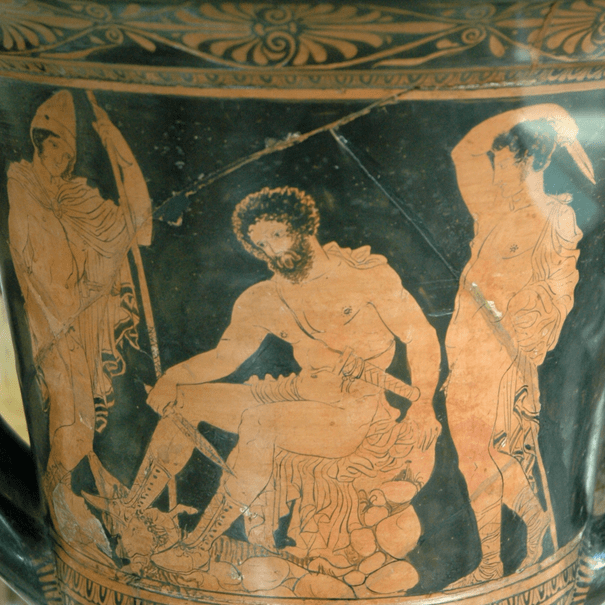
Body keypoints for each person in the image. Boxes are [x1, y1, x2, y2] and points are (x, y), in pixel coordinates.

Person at [107, 186, 441, 574]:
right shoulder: (264, 298)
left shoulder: (363, 276)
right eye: (261, 245)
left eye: (277, 235)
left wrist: (424, 403)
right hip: (300, 392)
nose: (272, 251)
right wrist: (172, 378)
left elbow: (421, 335)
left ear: (303, 226)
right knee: (184, 401)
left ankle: (199, 544)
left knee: (260, 423)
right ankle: (131, 510)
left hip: (352, 411)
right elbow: (225, 357)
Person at [445, 104, 595, 587]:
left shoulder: (557, 217)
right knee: (473, 457)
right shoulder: (493, 212)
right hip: (467, 349)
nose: (496, 174)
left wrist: (529, 327)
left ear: (533, 161)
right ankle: (501, 552)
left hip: (506, 351)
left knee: (496, 451)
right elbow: (463, 152)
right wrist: (545, 107)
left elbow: (561, 287)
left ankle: (526, 536)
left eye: (504, 164)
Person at [7, 90, 152, 556]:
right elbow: (34, 265)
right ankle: (64, 501)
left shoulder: (75, 198)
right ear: (38, 142)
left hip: (75, 325)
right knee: (70, 417)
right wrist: (67, 306)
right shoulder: (20, 186)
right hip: (50, 324)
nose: (61, 161)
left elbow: (135, 222)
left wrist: (119, 147)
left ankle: (66, 499)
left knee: (80, 422)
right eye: (54, 149)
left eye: (68, 156)